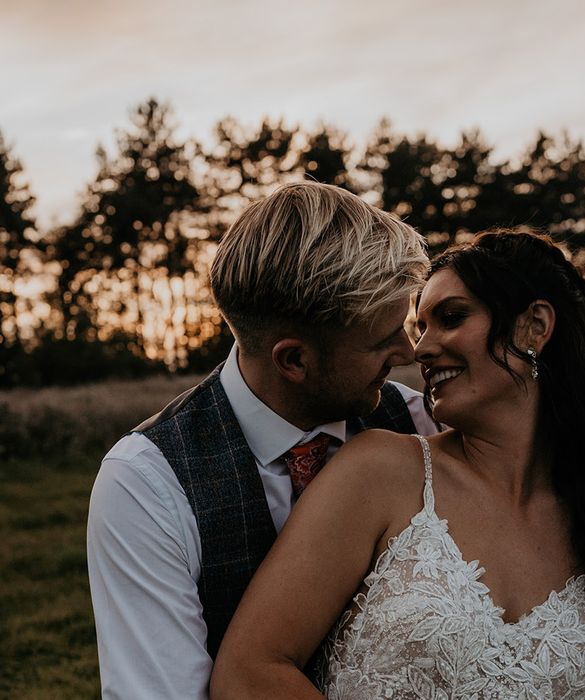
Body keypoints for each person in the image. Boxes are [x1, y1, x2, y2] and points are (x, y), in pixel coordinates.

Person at [210, 228, 585, 699]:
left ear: (535, 325)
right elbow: (250, 674)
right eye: (421, 326)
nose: (420, 348)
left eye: (451, 317)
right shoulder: (381, 471)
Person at [86, 181, 441, 699]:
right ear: (293, 360)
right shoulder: (146, 485)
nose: (409, 352)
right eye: (381, 339)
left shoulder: (419, 426)